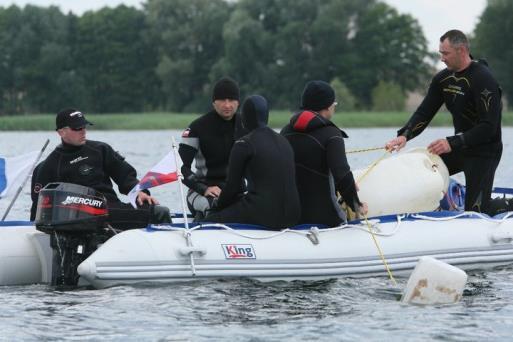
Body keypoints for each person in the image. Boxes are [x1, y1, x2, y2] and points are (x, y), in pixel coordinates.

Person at [385, 29, 503, 215]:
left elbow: (489, 127)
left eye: (445, 53)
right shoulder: (443, 79)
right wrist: (404, 135)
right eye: (440, 53)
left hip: (484, 151)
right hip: (458, 148)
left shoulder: (483, 79)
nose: (441, 58)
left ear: (461, 51)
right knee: (420, 173)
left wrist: (451, 142)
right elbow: (424, 112)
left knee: (477, 210)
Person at [30, 108, 170, 229]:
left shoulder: (100, 149)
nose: (83, 131)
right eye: (77, 128)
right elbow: (38, 208)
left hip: (111, 209)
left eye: (84, 126)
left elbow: (125, 176)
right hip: (77, 218)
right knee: (159, 213)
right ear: (62, 132)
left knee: (158, 211)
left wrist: (139, 192)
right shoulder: (48, 166)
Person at [205, 95, 300, 229]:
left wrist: (216, 208)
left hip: (264, 213)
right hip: (293, 214)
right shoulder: (284, 141)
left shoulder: (243, 144)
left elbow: (233, 188)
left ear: (244, 118)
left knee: (210, 220)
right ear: (266, 115)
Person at [281, 80, 367, 226]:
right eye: (334, 104)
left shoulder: (285, 132)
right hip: (326, 219)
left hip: (290, 217)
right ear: (327, 107)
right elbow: (342, 174)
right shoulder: (332, 134)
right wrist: (356, 204)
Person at [179, 77, 245, 219]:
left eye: (231, 100)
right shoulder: (196, 128)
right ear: (214, 102)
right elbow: (180, 168)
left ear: (238, 102)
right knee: (216, 207)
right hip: (202, 192)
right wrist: (204, 189)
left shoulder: (246, 126)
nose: (227, 105)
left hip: (236, 192)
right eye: (222, 100)